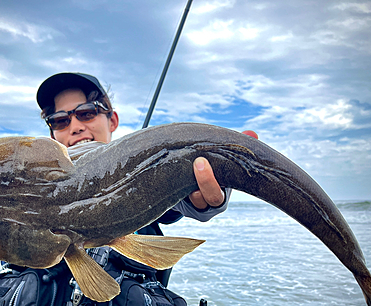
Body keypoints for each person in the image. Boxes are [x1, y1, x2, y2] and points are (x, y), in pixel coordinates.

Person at [36, 72, 232, 285]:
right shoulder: (35, 191)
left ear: (113, 121)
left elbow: (168, 201)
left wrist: (190, 194)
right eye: (59, 121)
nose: (75, 127)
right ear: (52, 136)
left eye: (87, 113)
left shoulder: (145, 173)